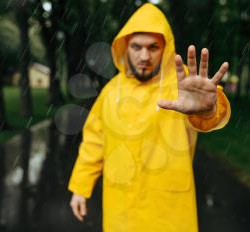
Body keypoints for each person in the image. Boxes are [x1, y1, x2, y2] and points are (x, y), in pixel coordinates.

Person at [68, 3, 231, 232]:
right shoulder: (111, 92)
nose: (144, 56)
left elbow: (212, 118)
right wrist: (80, 188)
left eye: (153, 47)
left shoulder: (183, 85)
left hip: (170, 212)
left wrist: (208, 110)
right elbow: (94, 142)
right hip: (121, 210)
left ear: (165, 48)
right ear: (125, 47)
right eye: (137, 47)